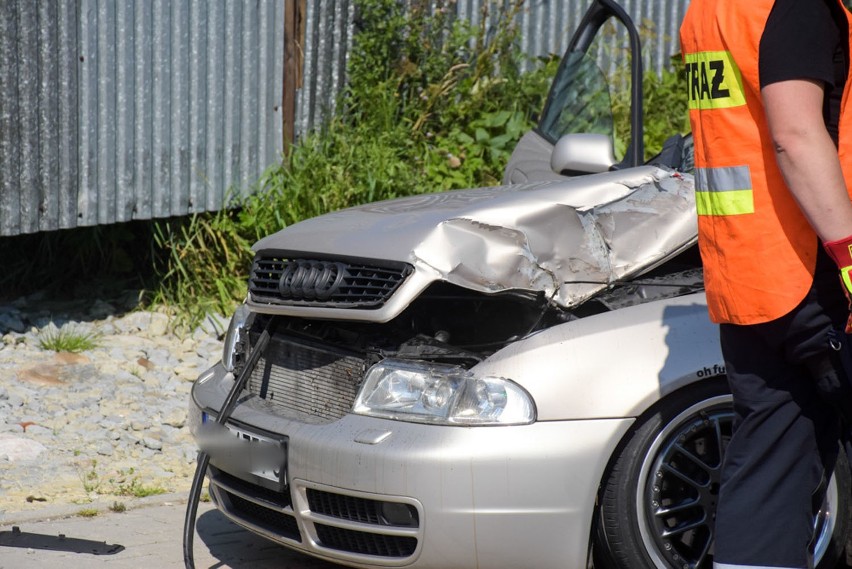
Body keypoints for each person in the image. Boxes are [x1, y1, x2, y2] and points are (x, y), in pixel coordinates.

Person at [680, 1, 852, 568]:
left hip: (748, 276)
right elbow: (796, 136)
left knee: (771, 458)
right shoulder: (800, 7)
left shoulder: (714, 8)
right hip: (814, 269)